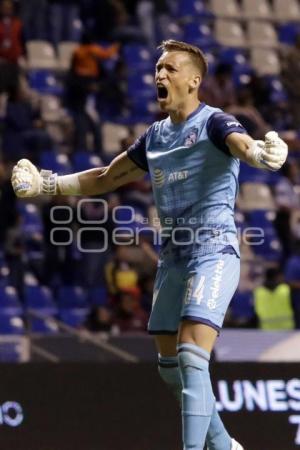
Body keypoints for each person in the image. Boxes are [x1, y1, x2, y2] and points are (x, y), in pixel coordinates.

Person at [11, 40, 288, 450]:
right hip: (173, 257)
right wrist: (48, 183)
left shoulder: (215, 121)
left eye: (170, 69)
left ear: (194, 81)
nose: (159, 75)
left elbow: (242, 145)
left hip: (213, 249)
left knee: (193, 354)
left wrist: (262, 154)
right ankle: (225, 446)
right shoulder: (155, 137)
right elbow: (106, 177)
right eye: (157, 68)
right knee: (169, 366)